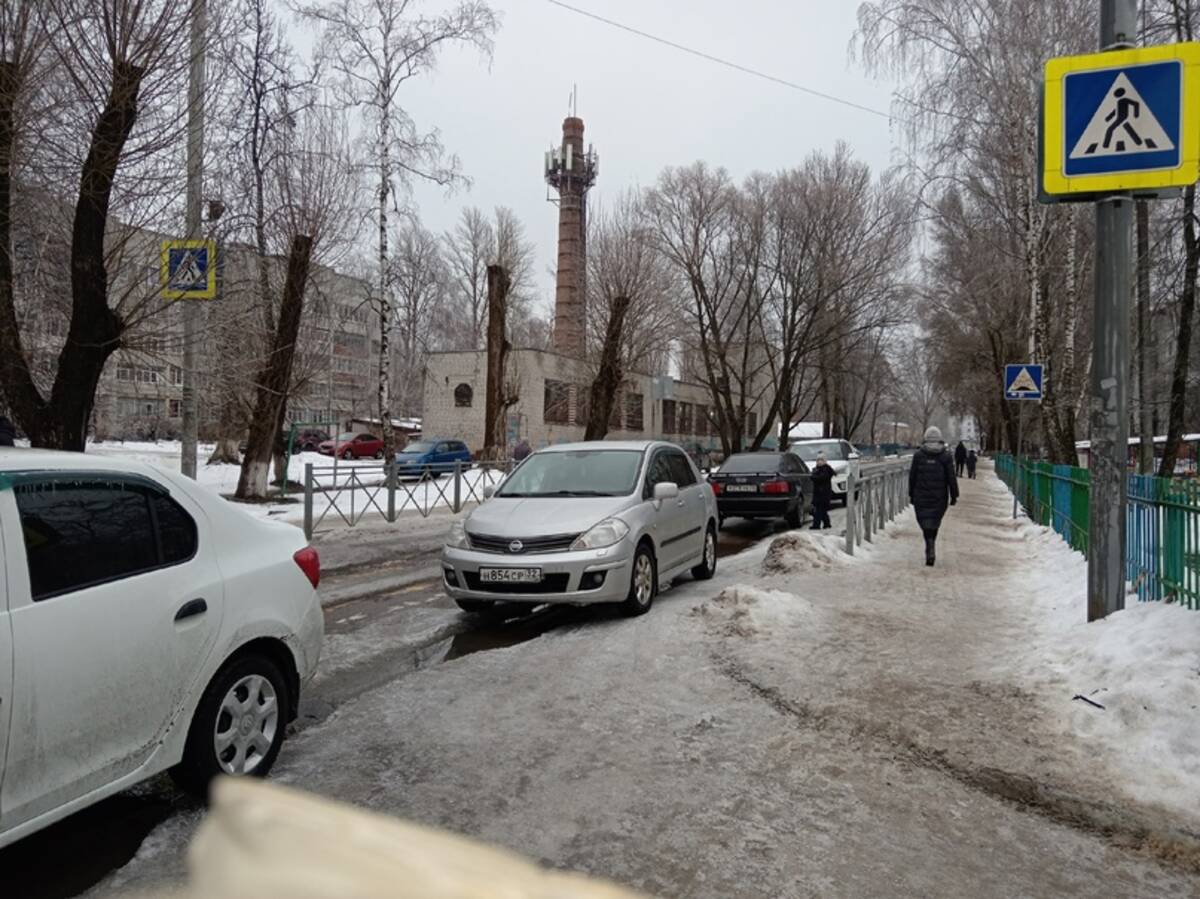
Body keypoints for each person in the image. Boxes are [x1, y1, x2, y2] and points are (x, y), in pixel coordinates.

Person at [910, 426, 958, 567]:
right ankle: (931, 546)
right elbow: (951, 477)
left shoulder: (918, 455)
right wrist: (954, 495)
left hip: (921, 495)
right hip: (939, 497)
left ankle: (929, 545)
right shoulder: (945, 456)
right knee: (934, 522)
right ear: (940, 439)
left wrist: (911, 494)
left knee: (925, 523)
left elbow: (912, 477)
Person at [809, 453, 834, 531]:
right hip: (818, 493)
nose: (819, 462)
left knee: (819, 510)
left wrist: (813, 477)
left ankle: (817, 525)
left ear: (825, 461)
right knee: (821, 510)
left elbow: (821, 478)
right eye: (818, 460)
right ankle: (826, 523)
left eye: (821, 460)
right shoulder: (816, 469)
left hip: (823, 493)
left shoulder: (826, 470)